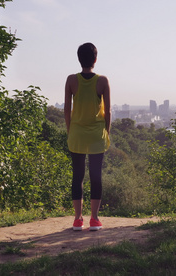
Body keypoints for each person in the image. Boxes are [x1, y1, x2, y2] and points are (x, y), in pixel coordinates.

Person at [64, 42, 111, 231]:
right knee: (96, 176)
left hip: (77, 133)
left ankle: (77, 219)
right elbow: (107, 112)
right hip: (96, 135)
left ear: (78, 59)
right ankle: (94, 219)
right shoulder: (102, 81)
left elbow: (67, 110)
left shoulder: (71, 80)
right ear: (95, 59)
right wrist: (106, 131)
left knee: (78, 176)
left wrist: (70, 130)